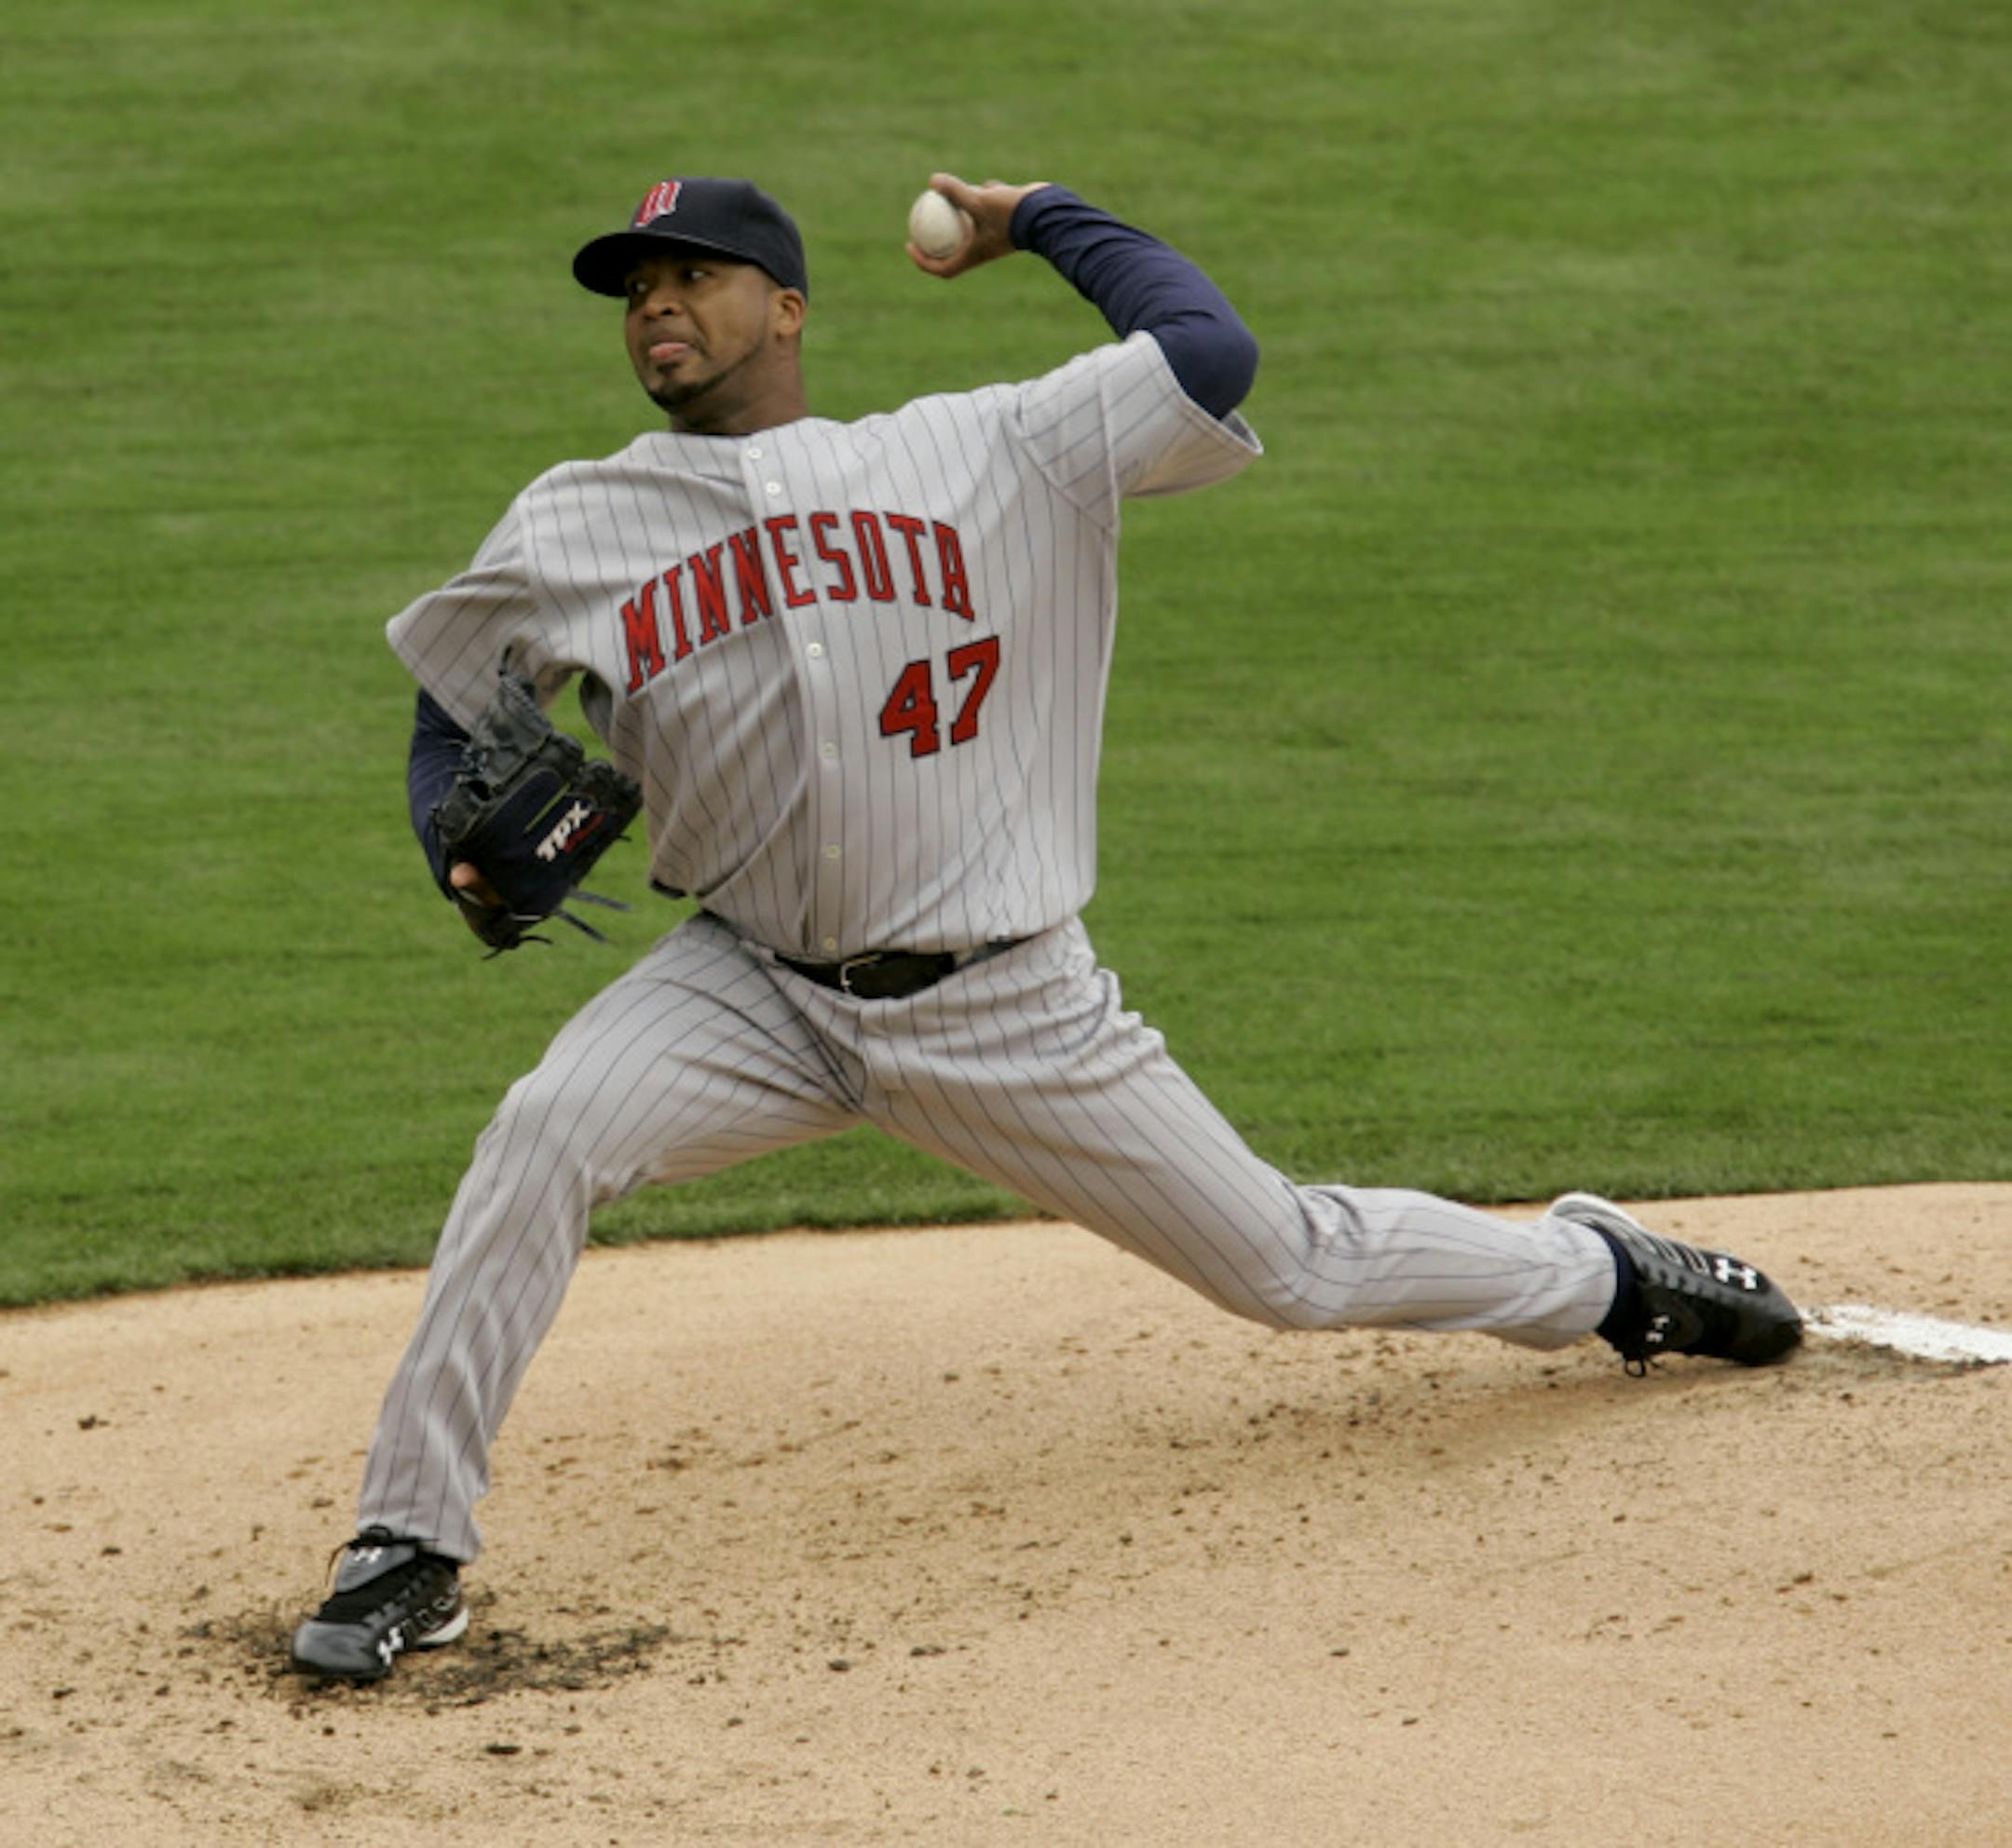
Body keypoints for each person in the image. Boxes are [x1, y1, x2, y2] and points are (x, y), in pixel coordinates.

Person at [290, 172, 1802, 1681]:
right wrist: (454, 849)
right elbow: (456, 701)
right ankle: (407, 1543)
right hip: (748, 991)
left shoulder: (996, 447)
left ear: (791, 308)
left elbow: (1209, 357)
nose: (659, 307)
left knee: (1290, 1265)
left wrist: (1043, 219)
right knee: (545, 1130)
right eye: (635, 291)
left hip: (1007, 1005)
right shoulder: (580, 519)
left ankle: (1602, 1276)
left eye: (693, 275)